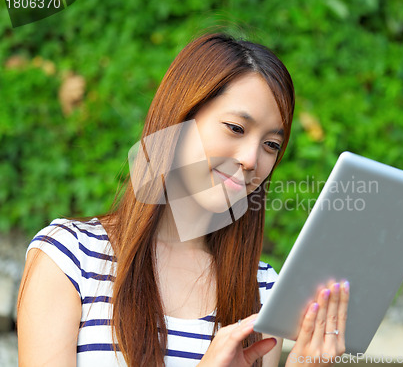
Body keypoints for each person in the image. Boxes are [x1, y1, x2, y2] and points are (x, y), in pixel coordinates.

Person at [17, 33, 350, 367]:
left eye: (271, 145)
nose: (252, 159)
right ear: (178, 119)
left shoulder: (263, 290)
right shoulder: (71, 257)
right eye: (235, 128)